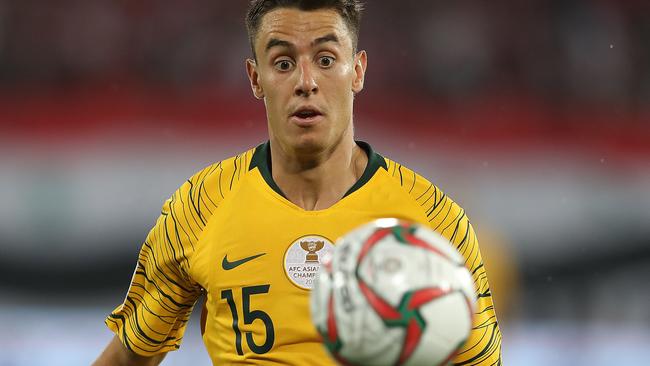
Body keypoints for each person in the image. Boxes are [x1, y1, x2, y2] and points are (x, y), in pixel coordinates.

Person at [93, 0, 502, 365]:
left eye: (325, 59)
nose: (306, 81)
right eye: (284, 63)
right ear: (256, 79)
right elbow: (130, 357)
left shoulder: (435, 223)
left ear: (357, 70)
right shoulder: (199, 208)